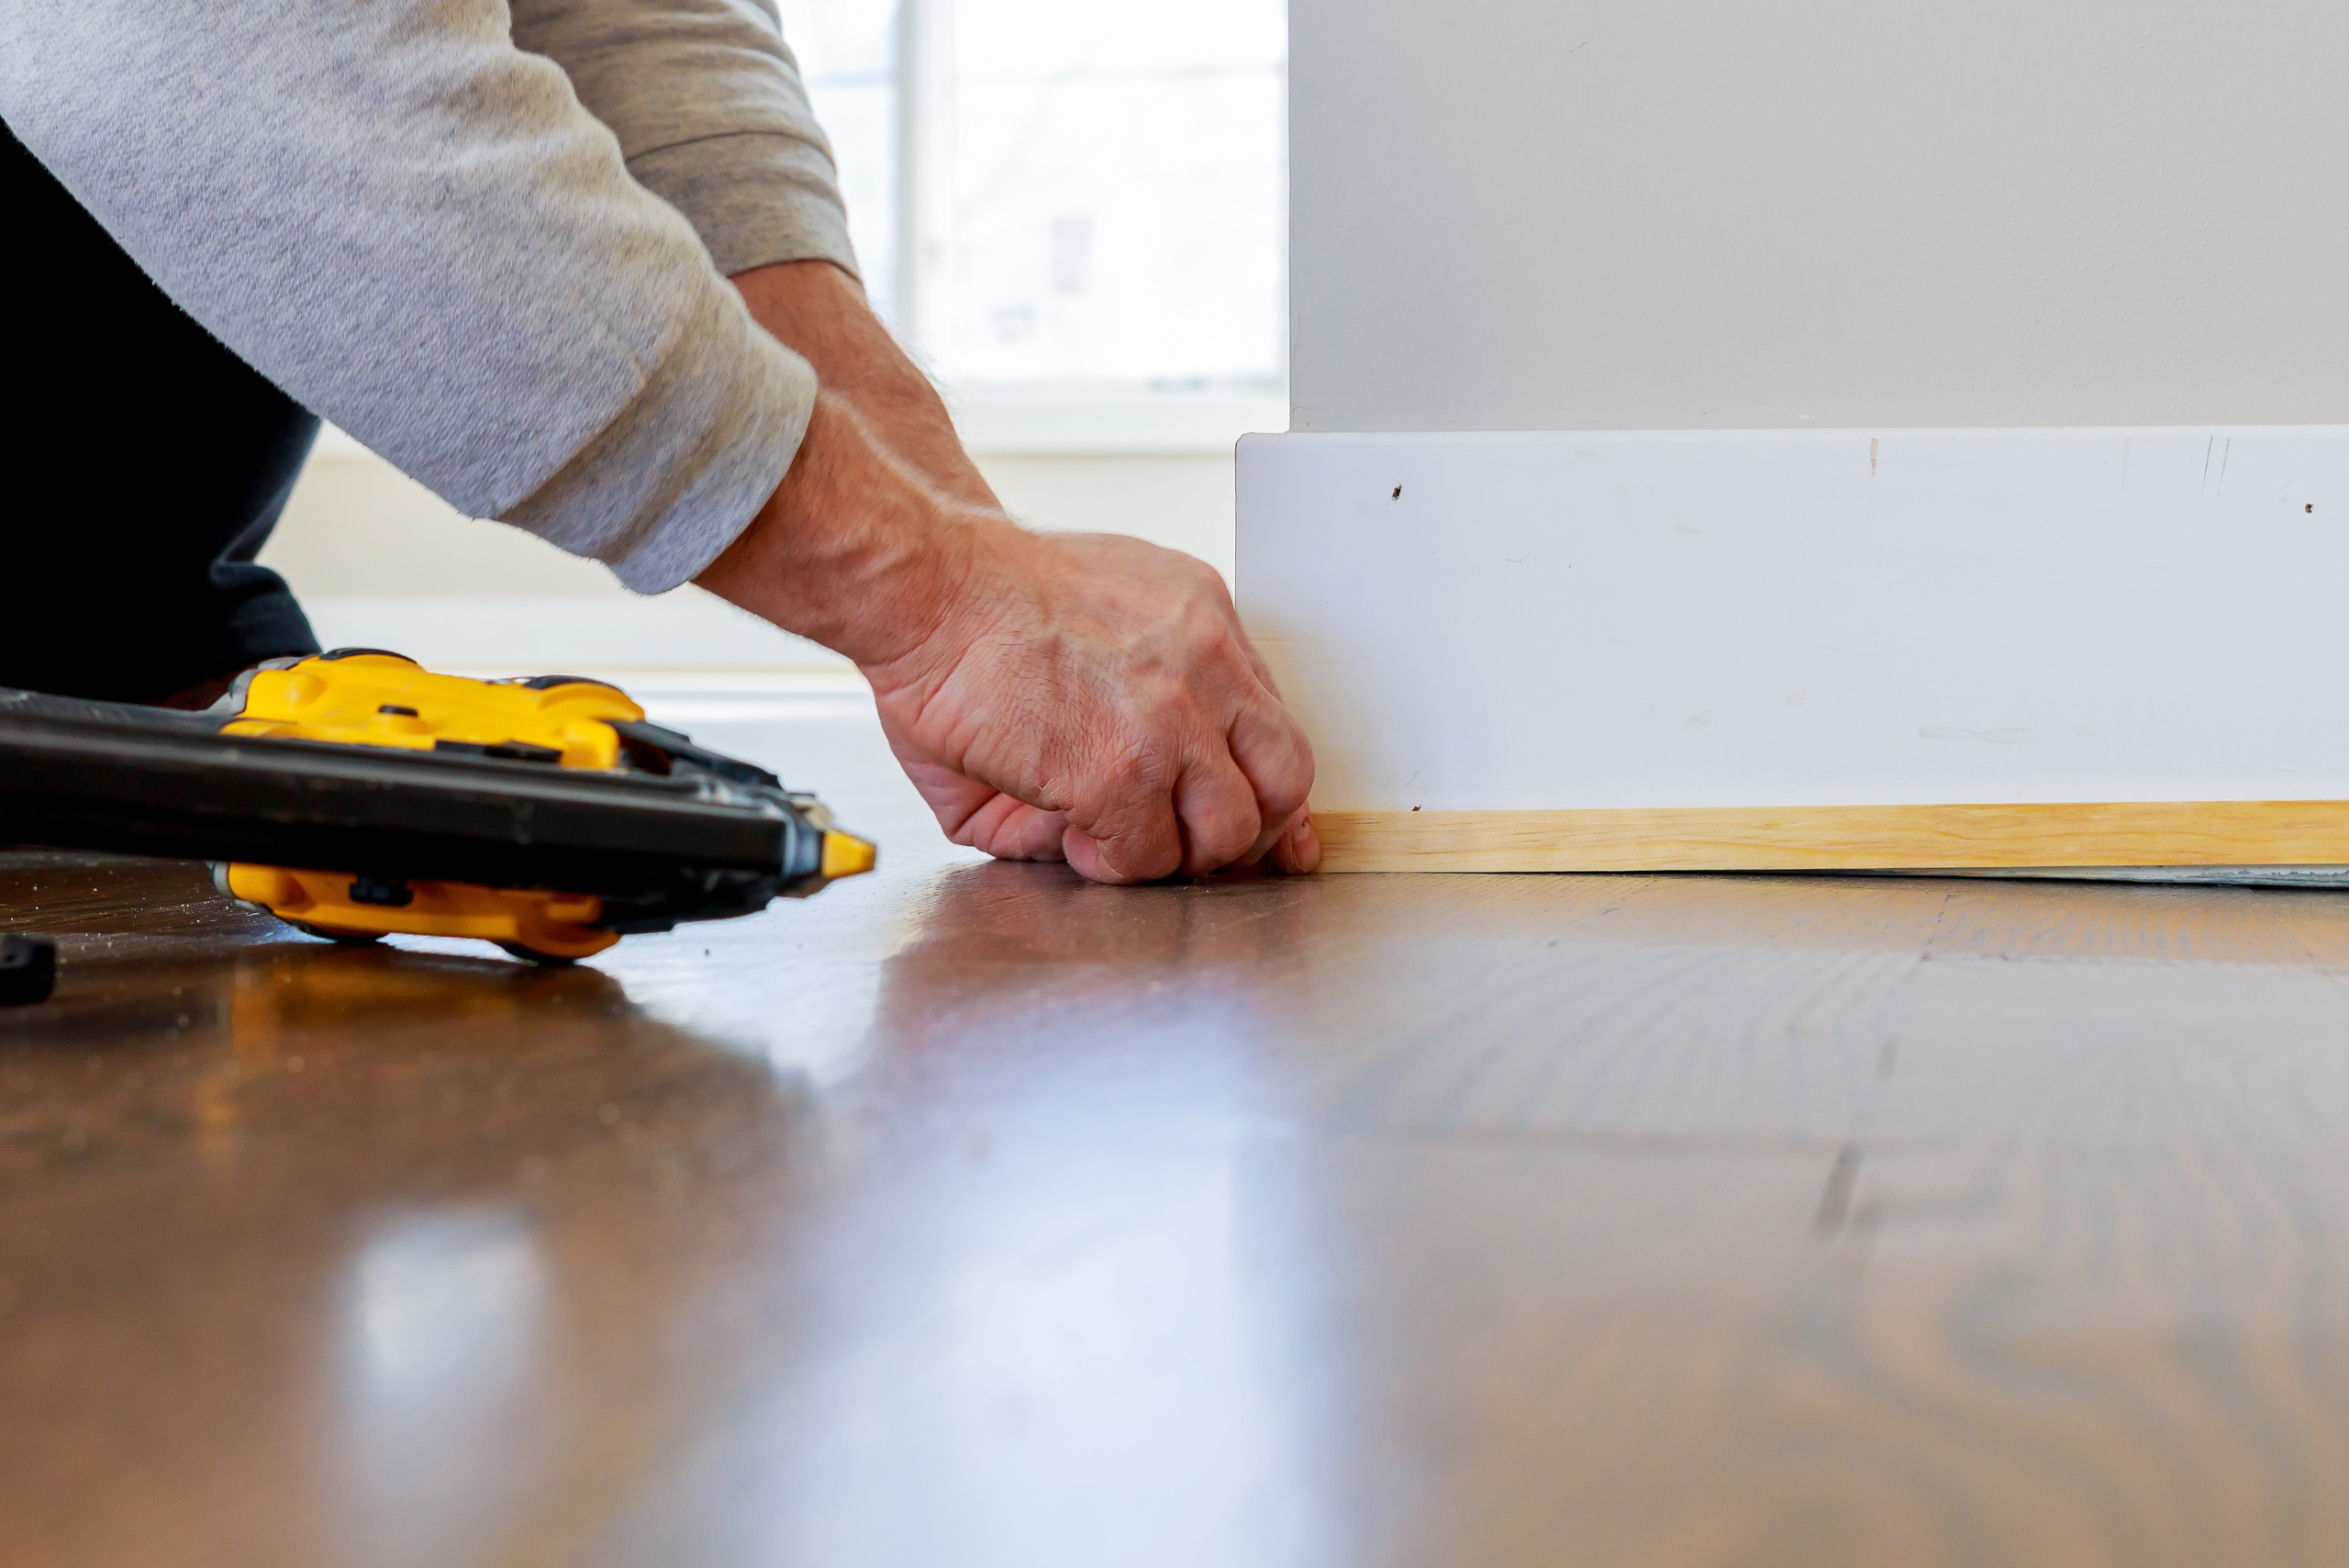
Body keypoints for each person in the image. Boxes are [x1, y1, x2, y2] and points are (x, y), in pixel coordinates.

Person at [0, 0, 1319, 885]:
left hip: (133, 694)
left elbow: (626, 21)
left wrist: (986, 592)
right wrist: (939, 602)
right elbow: (244, 63)